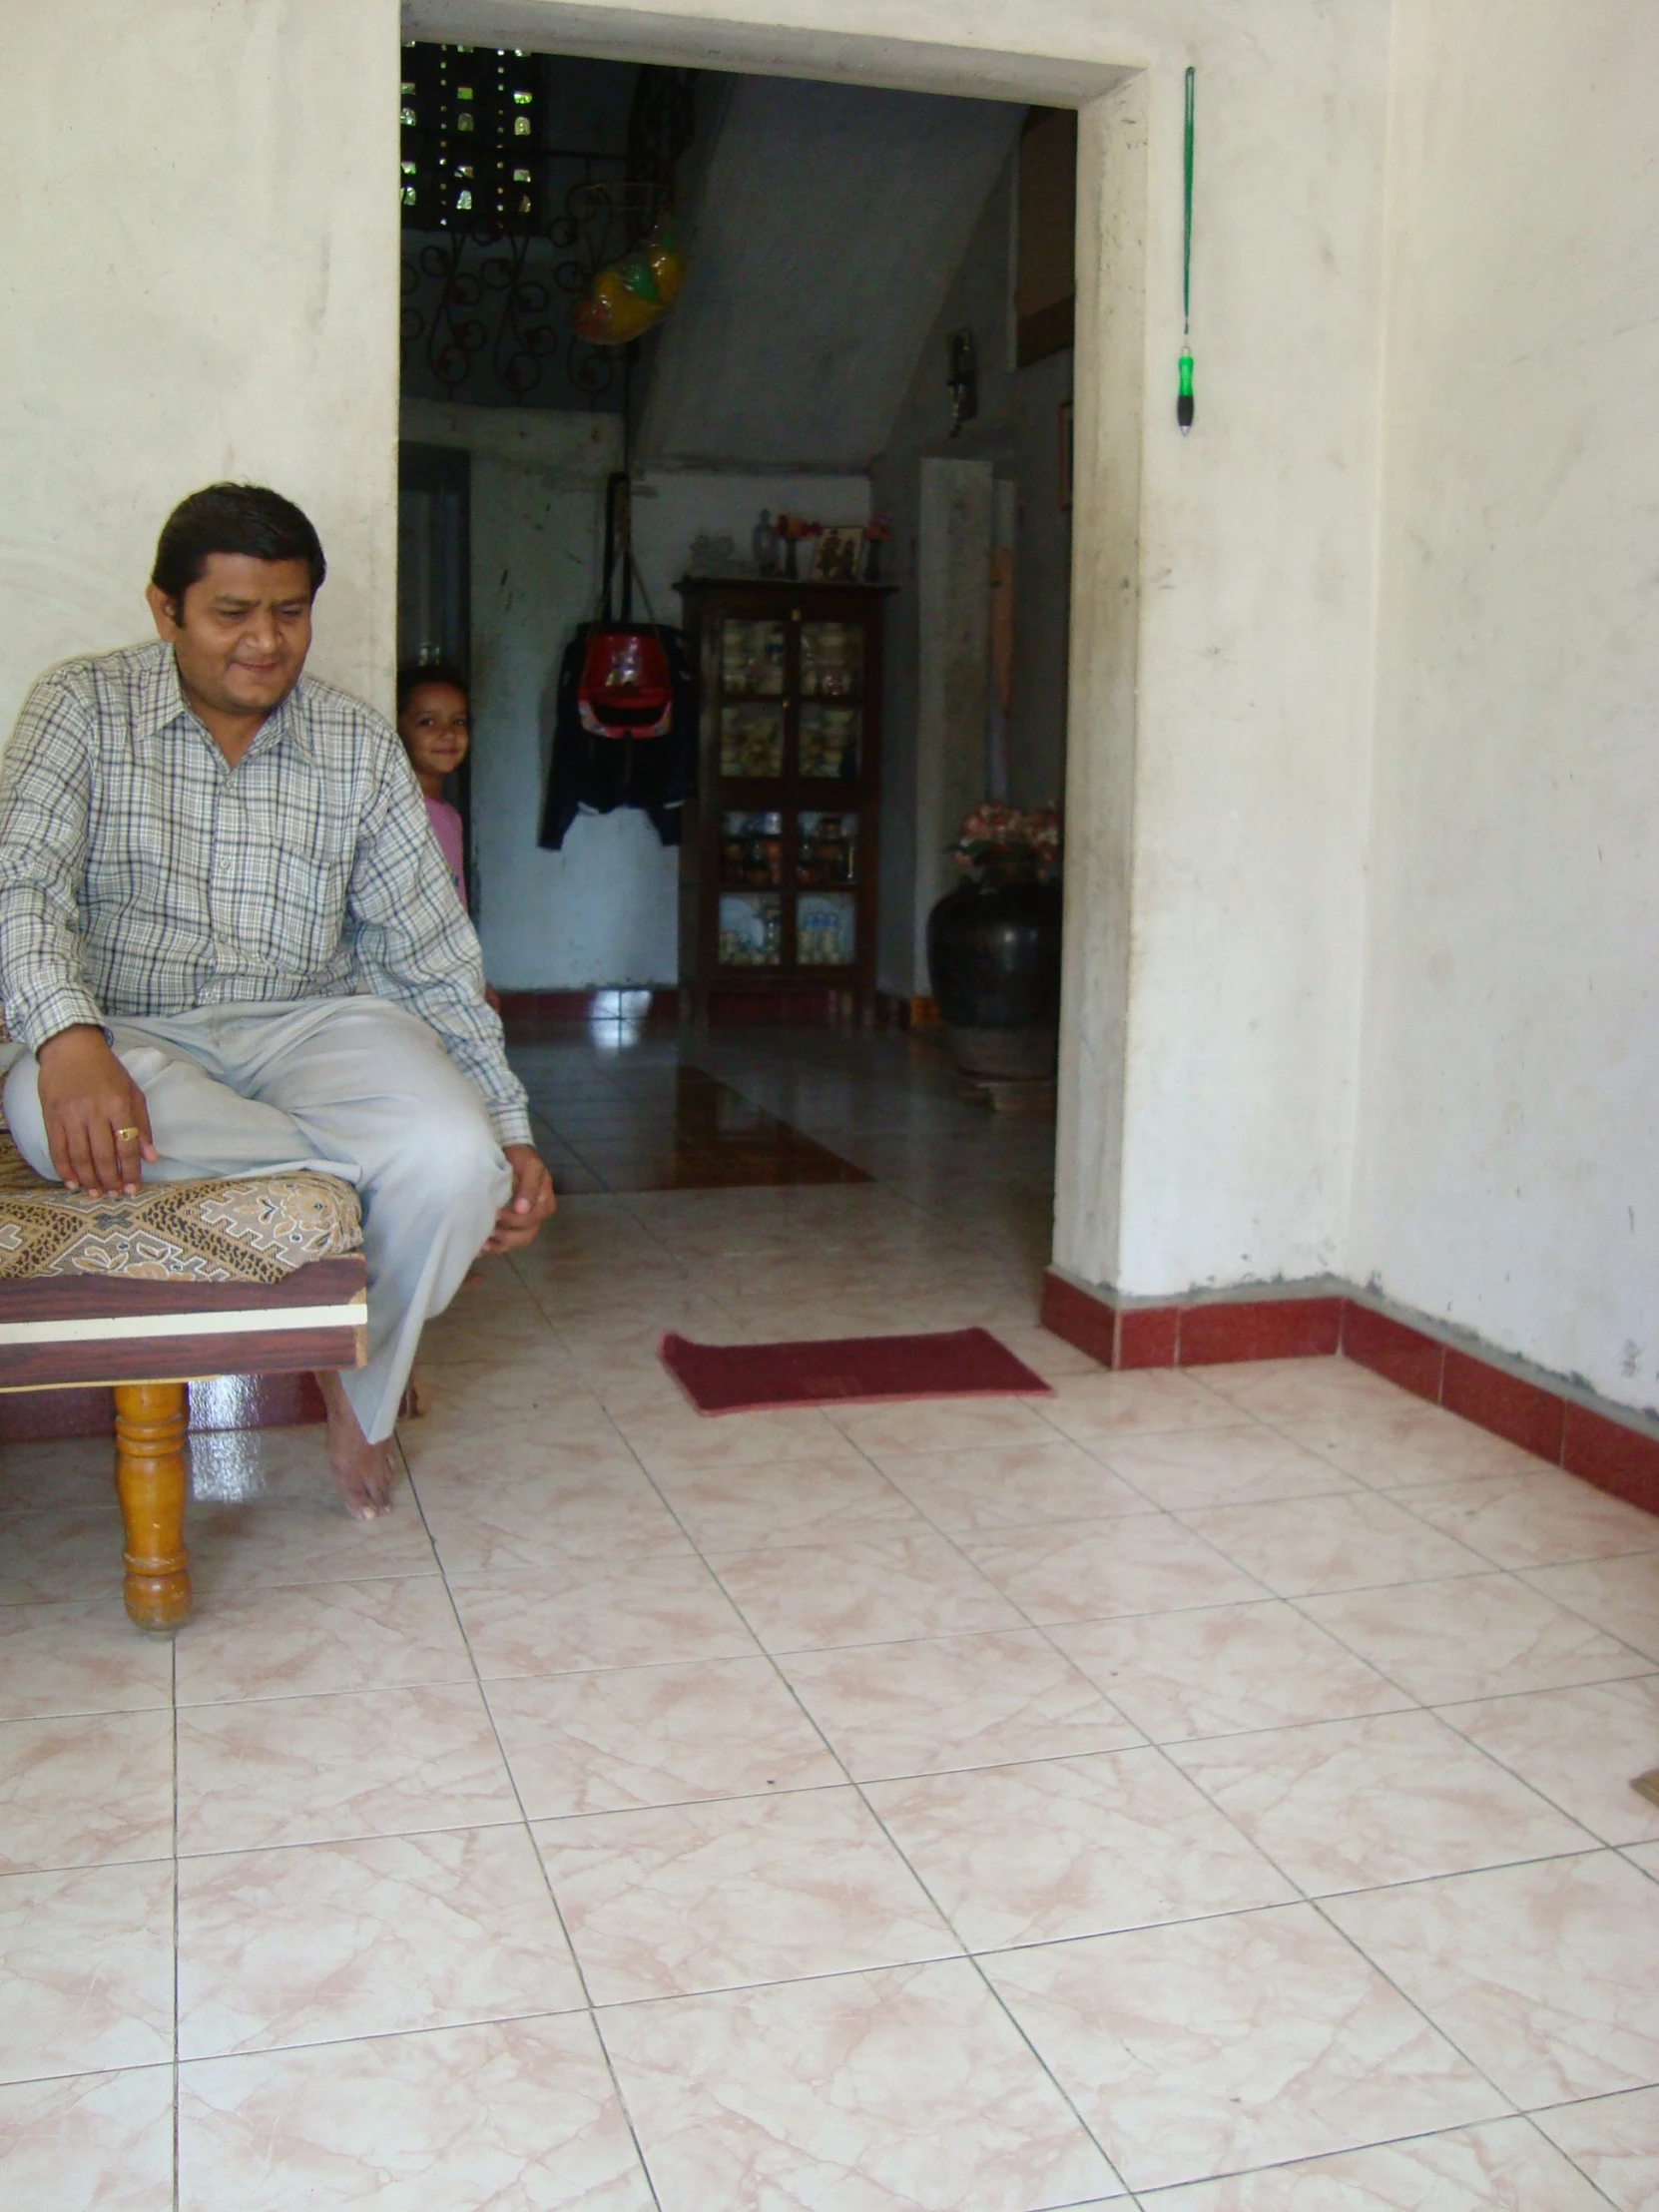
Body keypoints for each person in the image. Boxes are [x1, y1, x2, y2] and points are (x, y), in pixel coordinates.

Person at [0, 483, 555, 1518]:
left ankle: (363, 1388)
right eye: (231, 613)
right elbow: (17, 879)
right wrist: (69, 1036)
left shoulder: (354, 743)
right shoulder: (77, 705)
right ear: (165, 610)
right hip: (129, 1028)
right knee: (45, 1108)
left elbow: (432, 951)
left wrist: (507, 1128)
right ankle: (352, 1169)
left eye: (289, 613)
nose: (264, 641)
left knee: (458, 1159)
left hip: (312, 1023)